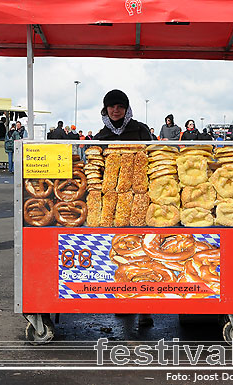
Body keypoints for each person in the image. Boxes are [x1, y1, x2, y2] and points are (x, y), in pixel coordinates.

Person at [95, 89, 152, 326]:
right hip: (112, 202)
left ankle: (145, 307)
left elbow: (151, 156)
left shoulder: (140, 129)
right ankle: (124, 302)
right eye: (111, 106)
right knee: (120, 256)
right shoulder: (101, 135)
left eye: (120, 106)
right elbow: (96, 167)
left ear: (127, 108)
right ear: (105, 109)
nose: (115, 110)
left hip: (138, 200)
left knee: (144, 257)